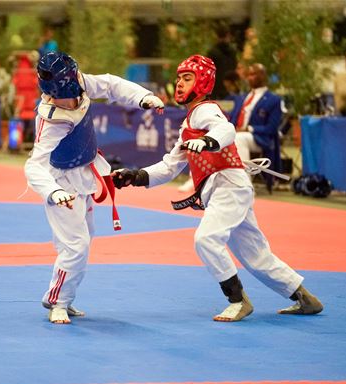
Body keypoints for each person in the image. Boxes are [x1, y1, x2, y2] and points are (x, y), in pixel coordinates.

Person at [111, 55, 323, 322]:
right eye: (178, 78)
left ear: (203, 83)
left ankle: (238, 301)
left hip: (229, 187)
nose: (179, 84)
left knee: (206, 240)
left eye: (187, 79)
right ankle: (305, 299)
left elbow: (226, 129)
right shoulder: (188, 125)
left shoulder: (205, 111)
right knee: (256, 255)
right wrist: (135, 176)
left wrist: (210, 142)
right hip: (229, 189)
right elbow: (168, 167)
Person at [24, 51, 164, 324]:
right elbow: (33, 165)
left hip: (86, 171)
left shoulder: (79, 80)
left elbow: (112, 85)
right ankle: (58, 302)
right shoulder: (50, 118)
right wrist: (53, 192)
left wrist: (143, 97)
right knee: (75, 246)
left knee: (84, 240)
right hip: (61, 182)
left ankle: (63, 296)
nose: (75, 86)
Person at [229, 63, 283, 190]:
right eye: (248, 75)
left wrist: (249, 129)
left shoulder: (273, 100)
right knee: (212, 138)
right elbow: (232, 119)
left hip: (260, 138)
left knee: (239, 138)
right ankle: (200, 181)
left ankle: (245, 185)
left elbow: (272, 128)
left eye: (253, 74)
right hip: (237, 133)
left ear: (263, 76)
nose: (249, 78)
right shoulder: (242, 98)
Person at [207, 24, 238, 100]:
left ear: (216, 36)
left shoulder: (212, 52)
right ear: (228, 35)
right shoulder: (232, 52)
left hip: (215, 91)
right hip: (230, 89)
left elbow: (208, 72)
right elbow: (234, 67)